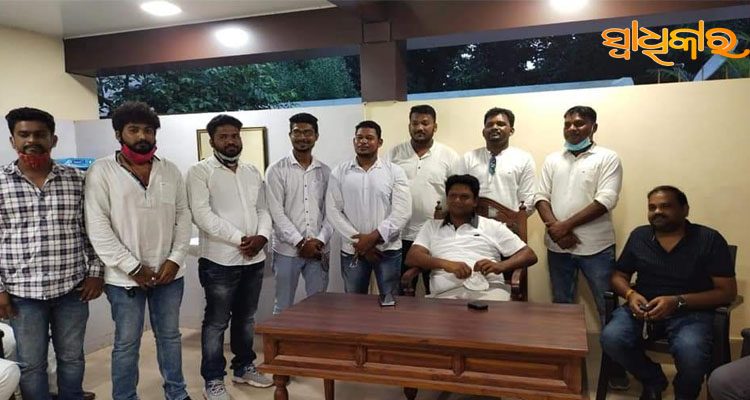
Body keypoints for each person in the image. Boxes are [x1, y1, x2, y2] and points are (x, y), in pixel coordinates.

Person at [85, 101, 191, 400]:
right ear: (119, 134)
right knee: (126, 344)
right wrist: (133, 267)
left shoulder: (169, 170)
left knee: (170, 337)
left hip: (169, 275)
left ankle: (177, 393)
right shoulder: (101, 171)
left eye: (148, 130)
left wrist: (175, 259)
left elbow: (183, 216)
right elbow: (98, 226)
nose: (142, 136)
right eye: (133, 130)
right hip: (123, 279)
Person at [0, 107, 103, 400]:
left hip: (71, 290)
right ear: (12, 140)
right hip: (22, 295)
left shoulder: (77, 180)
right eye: (24, 134)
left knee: (72, 358)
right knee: (31, 365)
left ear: (53, 139)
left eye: (40, 134)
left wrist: (96, 272)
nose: (32, 140)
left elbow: (93, 230)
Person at [600, 186, 737, 400]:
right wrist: (630, 294)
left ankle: (684, 393)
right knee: (612, 338)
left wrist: (677, 301)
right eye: (652, 207)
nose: (657, 212)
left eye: (665, 206)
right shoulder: (640, 236)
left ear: (685, 209)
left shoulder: (708, 239)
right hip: (644, 310)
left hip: (692, 312)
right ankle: (652, 380)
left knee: (691, 352)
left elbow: (727, 292)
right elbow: (619, 275)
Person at [186, 114, 273, 400]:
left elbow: (263, 209)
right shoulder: (200, 172)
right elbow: (202, 215)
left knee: (246, 318)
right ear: (212, 141)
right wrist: (241, 239)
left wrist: (262, 237)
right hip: (219, 261)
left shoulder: (251, 171)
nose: (230, 141)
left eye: (234, 135)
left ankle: (243, 367)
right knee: (216, 322)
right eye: (223, 136)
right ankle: (213, 380)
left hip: (253, 259)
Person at [405, 175, 536, 300]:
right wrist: (446, 264)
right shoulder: (431, 226)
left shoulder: (492, 226)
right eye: (452, 196)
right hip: (444, 295)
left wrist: (501, 266)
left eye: (464, 197)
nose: (457, 200)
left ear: (475, 201)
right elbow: (412, 257)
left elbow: (529, 254)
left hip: (489, 290)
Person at [326, 120, 411, 296]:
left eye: (369, 138)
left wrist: (373, 238)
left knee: (390, 301)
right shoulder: (339, 172)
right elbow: (333, 211)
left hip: (387, 249)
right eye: (359, 138)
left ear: (379, 142)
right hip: (353, 250)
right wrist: (359, 242)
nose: (363, 141)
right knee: (354, 301)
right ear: (354, 141)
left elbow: (402, 211)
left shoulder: (394, 171)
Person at [387, 105, 460, 295]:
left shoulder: (449, 156)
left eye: (425, 123)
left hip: (436, 235)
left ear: (435, 127)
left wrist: (447, 212)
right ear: (409, 126)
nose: (419, 127)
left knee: (435, 289)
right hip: (400, 235)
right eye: (415, 123)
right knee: (400, 291)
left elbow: (458, 194)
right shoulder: (394, 154)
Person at [266, 113, 331, 315]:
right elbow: (276, 212)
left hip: (319, 250)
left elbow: (332, 212)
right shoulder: (276, 170)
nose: (302, 137)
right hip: (287, 251)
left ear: (316, 136)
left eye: (308, 132)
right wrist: (300, 242)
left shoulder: (325, 171)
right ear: (290, 135)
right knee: (283, 306)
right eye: (297, 132)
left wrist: (319, 240)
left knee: (319, 306)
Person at [461, 107, 535, 214]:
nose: (494, 127)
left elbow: (528, 200)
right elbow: (460, 195)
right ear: (483, 132)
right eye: (489, 125)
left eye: (501, 124)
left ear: (511, 131)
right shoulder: (468, 158)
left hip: (510, 223)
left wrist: (513, 220)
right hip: (473, 222)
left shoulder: (524, 159)